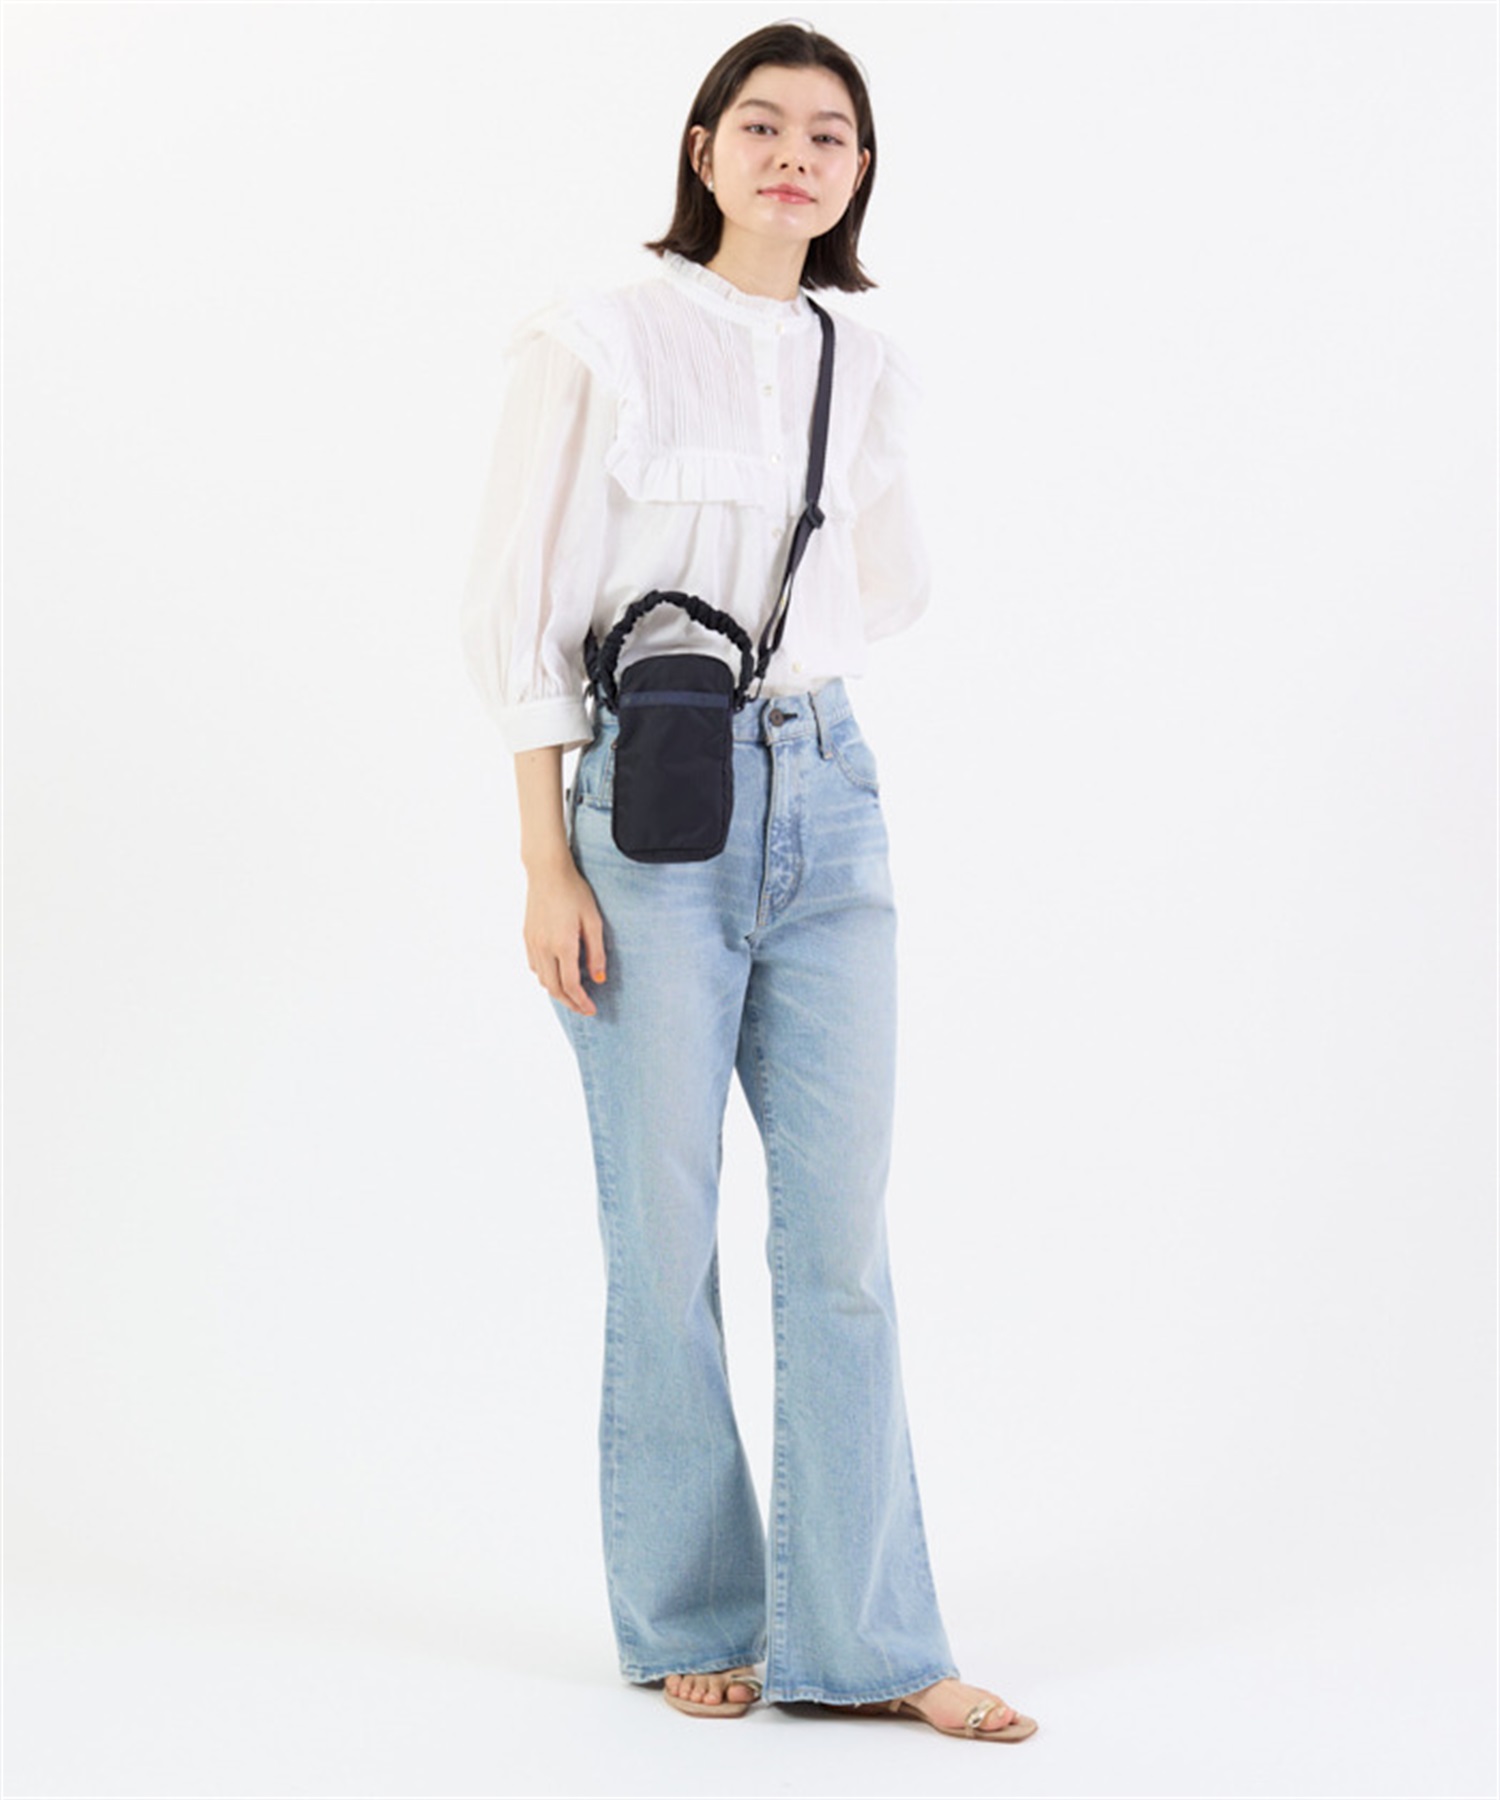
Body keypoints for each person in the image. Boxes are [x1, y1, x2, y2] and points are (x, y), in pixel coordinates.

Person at [460, 21, 1037, 1744]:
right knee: (663, 1231)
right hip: (646, 813)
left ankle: (870, 1641)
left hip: (830, 792)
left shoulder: (863, 359)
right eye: (763, 125)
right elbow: (515, 614)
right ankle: (695, 1613)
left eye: (830, 135)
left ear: (859, 173)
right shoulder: (598, 336)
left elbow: (886, 589)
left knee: (840, 1238)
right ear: (703, 149)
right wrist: (543, 857)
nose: (797, 155)